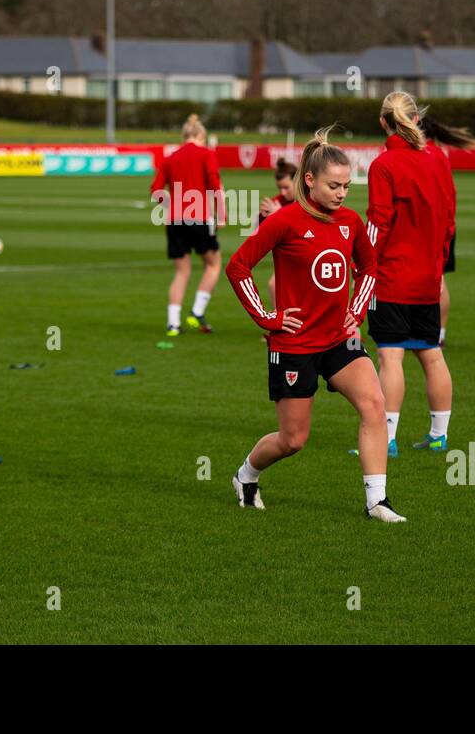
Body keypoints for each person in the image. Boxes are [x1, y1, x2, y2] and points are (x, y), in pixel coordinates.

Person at [226, 126, 405, 522]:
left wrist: (356, 313)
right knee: (293, 440)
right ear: (309, 181)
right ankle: (246, 475)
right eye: (334, 185)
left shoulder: (351, 222)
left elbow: (370, 266)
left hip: (337, 340)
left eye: (347, 185)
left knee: (374, 404)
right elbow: (237, 267)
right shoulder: (284, 221)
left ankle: (377, 500)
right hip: (294, 345)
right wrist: (267, 318)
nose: (342, 193)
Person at [364, 93, 456, 456]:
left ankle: (386, 439)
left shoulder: (384, 164)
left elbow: (379, 223)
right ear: (416, 118)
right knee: (432, 355)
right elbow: (449, 220)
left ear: (384, 123)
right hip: (428, 278)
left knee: (390, 356)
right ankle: (438, 436)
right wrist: (437, 261)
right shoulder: (438, 158)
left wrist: (363, 264)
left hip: (393, 277)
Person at [150, 114, 226, 336]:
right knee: (213, 264)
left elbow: (155, 190)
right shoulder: (206, 154)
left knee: (181, 272)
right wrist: (221, 215)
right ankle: (196, 311)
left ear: (184, 136)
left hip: (175, 220)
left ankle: (173, 323)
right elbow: (215, 185)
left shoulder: (170, 158)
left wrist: (170, 206)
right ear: (201, 135)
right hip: (200, 217)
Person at [420, 115, 475, 347]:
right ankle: (438, 333)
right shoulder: (437, 155)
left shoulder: (428, 155)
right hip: (443, 226)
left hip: (432, 228)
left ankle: (436, 332)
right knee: (437, 280)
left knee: (436, 281)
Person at [257, 158, 298, 305]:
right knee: (274, 286)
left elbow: (304, 226)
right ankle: (280, 324)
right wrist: (263, 217)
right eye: (279, 188)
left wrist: (279, 214)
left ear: (297, 181)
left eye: (286, 187)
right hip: (289, 258)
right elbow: (258, 231)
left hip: (309, 255)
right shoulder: (277, 201)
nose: (282, 192)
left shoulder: (307, 200)